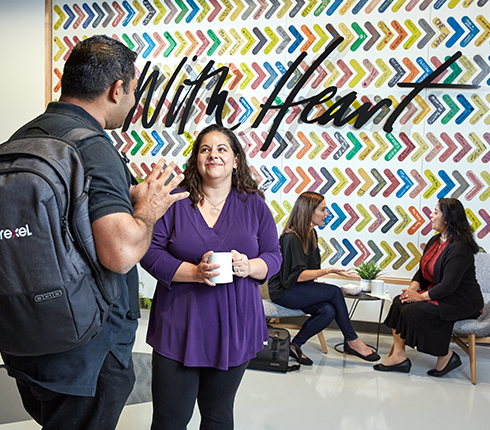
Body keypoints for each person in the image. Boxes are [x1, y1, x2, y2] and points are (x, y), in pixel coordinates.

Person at [0, 35, 188, 430]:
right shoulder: (93, 147)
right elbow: (120, 251)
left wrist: (125, 198)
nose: (132, 101)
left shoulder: (19, 140)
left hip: (22, 331)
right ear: (116, 89)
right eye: (133, 91)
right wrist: (147, 211)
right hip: (86, 348)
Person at [140, 124, 282, 430]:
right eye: (205, 149)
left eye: (222, 149)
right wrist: (194, 272)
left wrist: (249, 266)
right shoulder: (175, 201)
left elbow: (274, 256)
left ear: (235, 161)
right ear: (196, 160)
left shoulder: (254, 204)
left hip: (236, 324)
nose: (213, 155)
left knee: (218, 415)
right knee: (170, 418)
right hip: (179, 324)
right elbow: (149, 253)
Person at [373, 198, 483, 376]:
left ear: (446, 218)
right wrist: (412, 290)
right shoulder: (435, 241)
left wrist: (419, 298)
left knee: (413, 311)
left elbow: (448, 286)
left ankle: (446, 356)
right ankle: (399, 357)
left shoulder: (460, 247)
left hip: (461, 300)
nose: (431, 215)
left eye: (435, 212)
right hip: (441, 294)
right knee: (399, 301)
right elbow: (422, 272)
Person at [268, 191, 380, 365]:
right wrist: (329, 271)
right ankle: (352, 340)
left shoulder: (311, 234)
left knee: (328, 311)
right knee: (335, 291)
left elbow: (308, 271)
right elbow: (295, 276)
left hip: (297, 288)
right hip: (283, 291)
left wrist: (317, 286)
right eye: (323, 210)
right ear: (308, 211)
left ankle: (294, 345)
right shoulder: (291, 237)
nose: (326, 214)